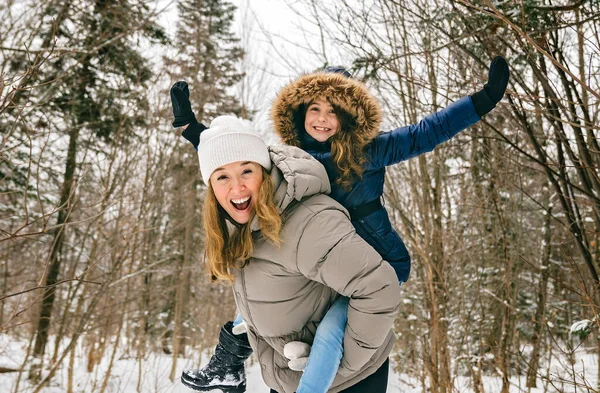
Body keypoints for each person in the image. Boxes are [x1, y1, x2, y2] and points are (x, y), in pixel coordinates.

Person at [175, 56, 509, 393]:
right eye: (315, 109)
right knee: (257, 298)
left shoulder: (368, 151)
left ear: (348, 118)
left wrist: (483, 99)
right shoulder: (287, 157)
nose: (323, 119)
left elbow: (427, 132)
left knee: (332, 331)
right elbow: (233, 156)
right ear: (300, 113)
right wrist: (192, 127)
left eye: (334, 111)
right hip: (315, 270)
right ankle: (227, 365)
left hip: (367, 262)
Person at [190, 115, 401, 393]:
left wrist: (333, 368)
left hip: (345, 384)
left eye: (247, 171)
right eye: (222, 177)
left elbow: (379, 287)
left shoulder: (305, 221)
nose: (237, 187)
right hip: (291, 379)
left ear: (264, 171)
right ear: (212, 189)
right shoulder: (250, 225)